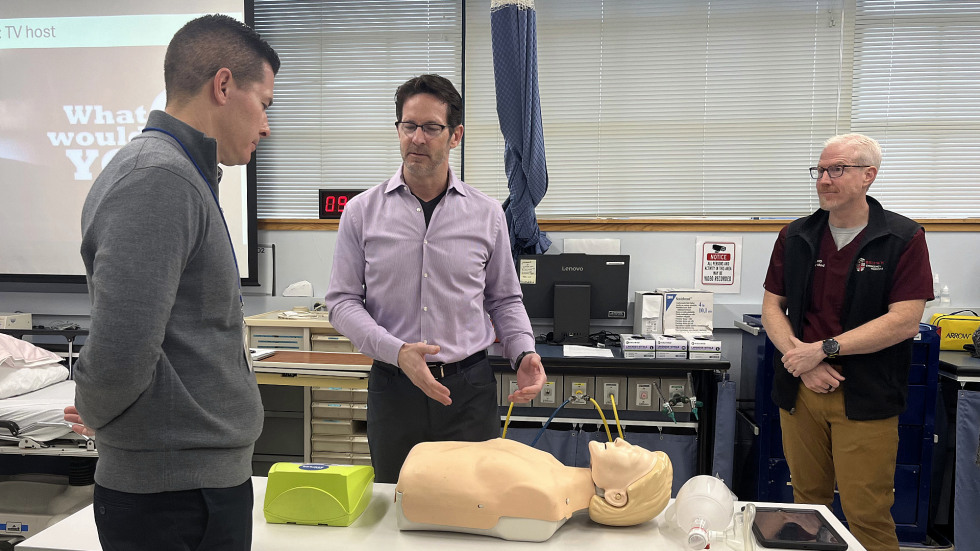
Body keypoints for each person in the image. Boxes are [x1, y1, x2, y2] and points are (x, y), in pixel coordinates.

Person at [63, 14, 279, 551]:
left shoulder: (180, 173)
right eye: (265, 105)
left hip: (191, 486)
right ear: (223, 85)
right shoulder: (158, 179)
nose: (267, 126)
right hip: (175, 497)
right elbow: (121, 350)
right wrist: (98, 407)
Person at [324, 74, 547, 483]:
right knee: (397, 507)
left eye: (431, 127)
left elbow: (504, 300)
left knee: (473, 505)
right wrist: (396, 350)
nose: (418, 138)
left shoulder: (487, 214)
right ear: (398, 130)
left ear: (455, 135)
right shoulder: (360, 212)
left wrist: (524, 353)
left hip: (469, 392)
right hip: (394, 389)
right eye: (409, 126)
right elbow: (341, 303)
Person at [761, 133, 933, 551]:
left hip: (865, 396)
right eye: (819, 170)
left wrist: (823, 349)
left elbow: (904, 321)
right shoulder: (796, 236)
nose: (823, 179)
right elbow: (771, 308)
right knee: (806, 511)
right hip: (801, 392)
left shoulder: (902, 238)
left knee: (867, 514)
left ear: (868, 176)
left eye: (836, 169)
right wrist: (801, 359)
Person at [393, 437, 673, 541]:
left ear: (616, 496)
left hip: (415, 481)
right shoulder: (551, 468)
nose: (622, 440)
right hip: (421, 460)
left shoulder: (545, 500)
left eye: (633, 453)